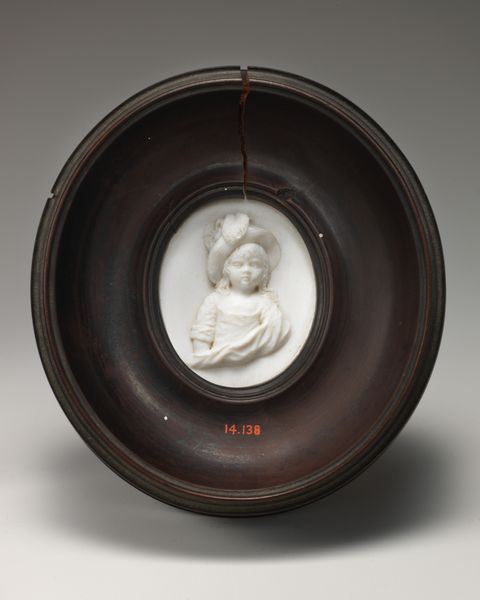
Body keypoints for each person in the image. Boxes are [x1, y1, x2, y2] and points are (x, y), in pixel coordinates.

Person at [190, 213, 290, 368]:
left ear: (264, 272)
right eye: (238, 264)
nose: (246, 270)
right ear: (226, 270)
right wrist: (203, 357)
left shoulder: (265, 304)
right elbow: (203, 332)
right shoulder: (215, 300)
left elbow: (276, 329)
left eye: (255, 264)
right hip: (216, 362)